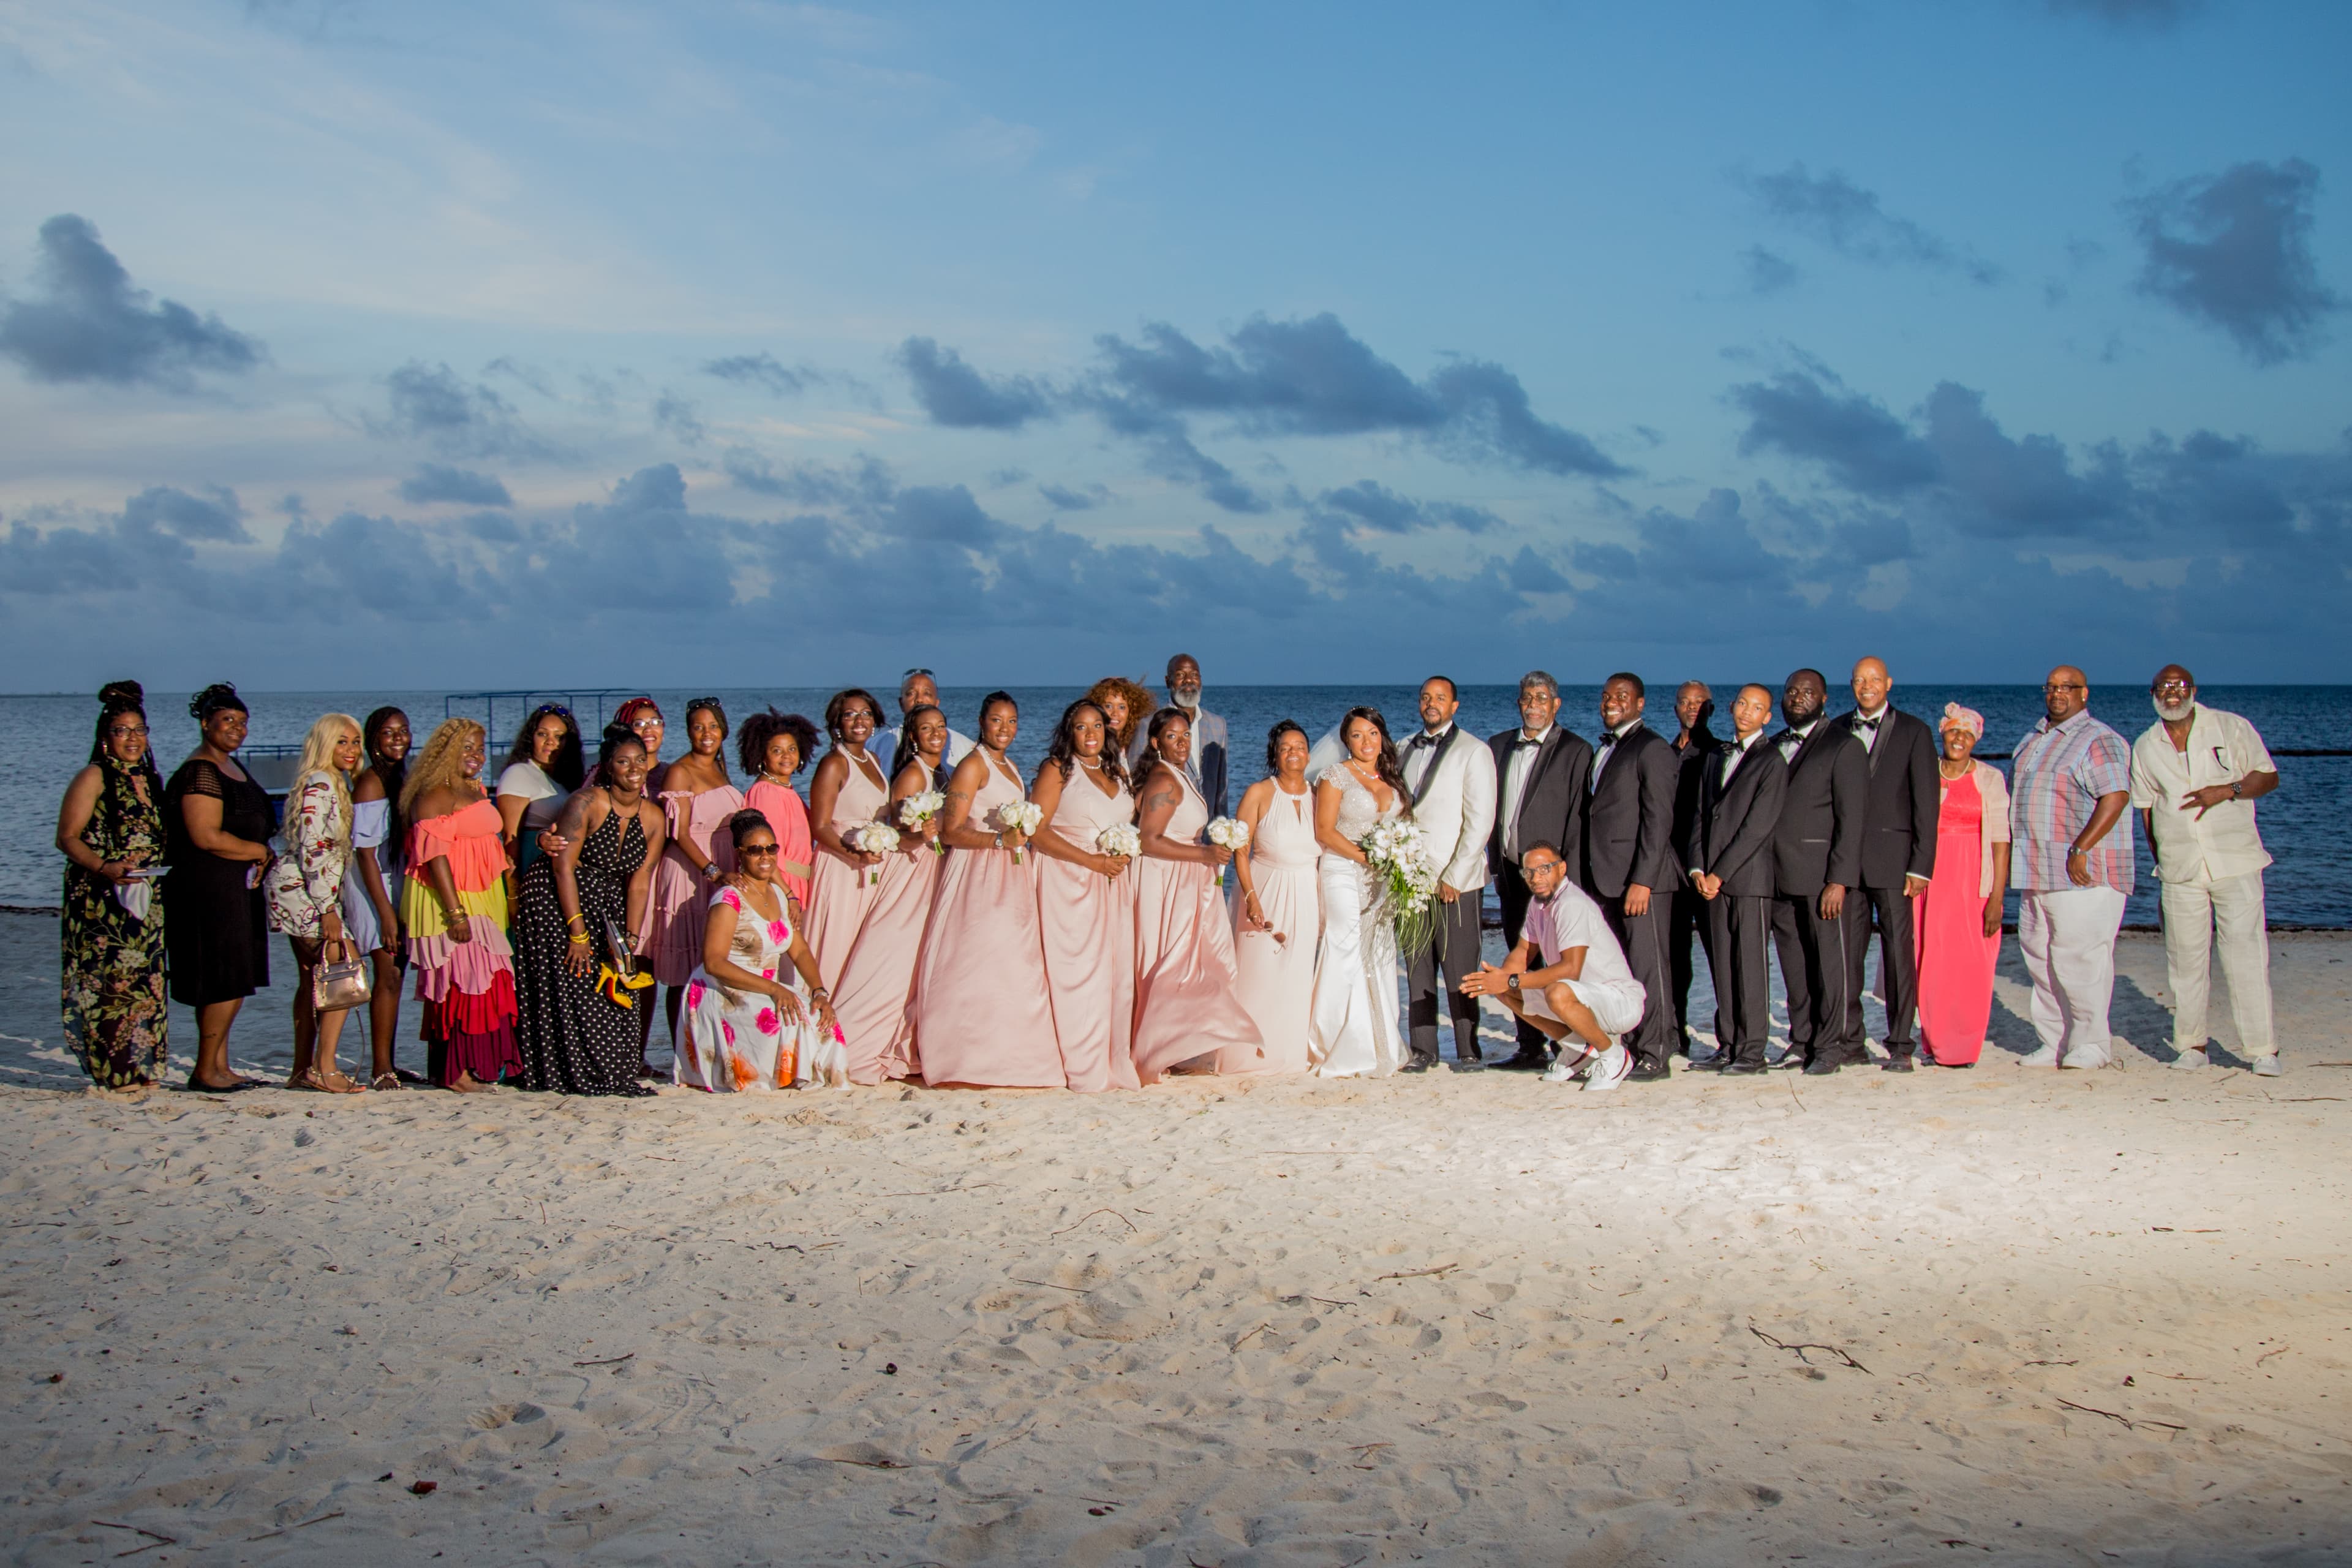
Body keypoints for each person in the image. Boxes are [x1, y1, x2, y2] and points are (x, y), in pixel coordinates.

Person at [907, 693, 1064, 1087]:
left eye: (1012, 722)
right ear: (981, 722)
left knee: (1012, 961)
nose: (1005, 729)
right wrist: (998, 842)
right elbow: (951, 830)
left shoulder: (1007, 764)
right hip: (979, 872)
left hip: (1011, 873)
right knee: (975, 958)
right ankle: (964, 1056)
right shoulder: (972, 766)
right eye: (997, 721)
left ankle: (1007, 1051)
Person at [2130, 665, 2282, 1074]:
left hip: (2235, 860)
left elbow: (2268, 777)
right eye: (2164, 687)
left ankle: (2263, 1049)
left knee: (2246, 955)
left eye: (2179, 686)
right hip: (2180, 870)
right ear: (2153, 693)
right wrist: (2161, 858)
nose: (2172, 693)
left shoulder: (2230, 727)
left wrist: (2227, 790)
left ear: (2193, 690)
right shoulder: (2146, 745)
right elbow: (2146, 810)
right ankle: (2191, 1046)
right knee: (2184, 960)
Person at [514, 724, 668, 1096]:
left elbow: (641, 881)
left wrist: (630, 939)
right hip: (557, 899)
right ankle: (569, 1071)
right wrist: (577, 932)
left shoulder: (654, 817)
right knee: (575, 981)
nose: (633, 768)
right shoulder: (587, 802)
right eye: (623, 761)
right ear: (607, 767)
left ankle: (611, 1066)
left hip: (609, 903)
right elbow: (562, 867)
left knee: (619, 981)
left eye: (640, 761)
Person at [1131, 707, 1266, 1080]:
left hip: (1184, 878)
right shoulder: (1164, 780)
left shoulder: (1178, 775)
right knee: (1173, 961)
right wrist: (1204, 853)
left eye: (1186, 736)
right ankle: (1161, 1049)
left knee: (1195, 961)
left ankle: (1180, 1044)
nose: (1181, 742)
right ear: (1156, 742)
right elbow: (1148, 841)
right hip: (1166, 881)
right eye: (1172, 737)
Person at [2010, 666, 2133, 1070]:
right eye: (2052, 687)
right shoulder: (2035, 738)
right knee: (2040, 958)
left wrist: (2081, 847)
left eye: (2068, 687)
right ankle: (2055, 1041)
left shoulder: (2099, 739)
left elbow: (2114, 797)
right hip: (2036, 870)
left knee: (2079, 959)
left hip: (2082, 872)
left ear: (2085, 693)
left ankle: (2092, 1044)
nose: (2058, 693)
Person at [1460, 840, 1650, 1091]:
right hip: (1582, 998)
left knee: (1556, 990)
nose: (1536, 877)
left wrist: (1509, 980)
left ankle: (1614, 1056)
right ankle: (1578, 1050)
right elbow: (1523, 952)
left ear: (1562, 869)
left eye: (1544, 869)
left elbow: (1570, 969)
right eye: (1529, 872)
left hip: (1619, 1001)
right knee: (1506, 990)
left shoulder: (1572, 904)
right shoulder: (1538, 904)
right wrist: (1497, 980)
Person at [677, 810, 845, 1091]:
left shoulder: (779, 895)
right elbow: (714, 963)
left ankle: (810, 1079)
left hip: (765, 986)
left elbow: (800, 951)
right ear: (740, 854)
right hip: (724, 988)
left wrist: (819, 992)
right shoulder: (728, 899)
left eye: (771, 849)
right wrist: (776, 989)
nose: (765, 856)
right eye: (755, 850)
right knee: (786, 1018)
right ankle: (781, 1078)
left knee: (821, 1017)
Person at [54, 681, 169, 1090]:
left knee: (146, 982)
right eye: (123, 731)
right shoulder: (94, 776)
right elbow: (67, 837)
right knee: (111, 984)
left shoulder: (148, 780)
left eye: (140, 730)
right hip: (102, 899)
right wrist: (105, 867)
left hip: (145, 896)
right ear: (106, 739)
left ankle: (142, 1067)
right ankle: (115, 1071)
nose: (133, 739)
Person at [829, 704, 951, 1084]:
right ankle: (853, 1042)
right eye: (926, 728)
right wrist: (927, 834)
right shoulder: (913, 775)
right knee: (892, 958)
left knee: (916, 964)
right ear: (913, 736)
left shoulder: (938, 772)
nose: (936, 733)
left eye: (942, 727)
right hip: (911, 872)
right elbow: (898, 834)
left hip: (931, 869)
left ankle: (904, 1043)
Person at [1026, 699, 1143, 1091]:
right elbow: (1036, 832)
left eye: (1097, 726)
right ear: (1069, 731)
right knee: (1077, 972)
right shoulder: (1058, 770)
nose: (1091, 734)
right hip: (1069, 879)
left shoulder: (1116, 769)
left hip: (1113, 883)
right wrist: (1092, 862)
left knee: (1115, 974)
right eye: (1081, 727)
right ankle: (1080, 1064)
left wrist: (1123, 851)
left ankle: (1112, 1061)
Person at [401, 718, 522, 1091]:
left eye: (480, 748)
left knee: (485, 984)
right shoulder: (435, 792)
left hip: (483, 895)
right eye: (467, 748)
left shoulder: (471, 788)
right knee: (462, 985)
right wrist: (455, 913)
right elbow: (435, 857)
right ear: (445, 751)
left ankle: (463, 1069)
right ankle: (454, 1073)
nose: (476, 756)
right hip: (455, 899)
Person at [164, 683, 274, 1092]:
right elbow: (205, 834)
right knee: (223, 977)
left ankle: (219, 1065)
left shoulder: (231, 766)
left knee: (233, 977)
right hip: (209, 887)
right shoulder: (201, 771)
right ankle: (207, 1068)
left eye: (243, 723)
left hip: (236, 886)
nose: (237, 729)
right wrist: (257, 850)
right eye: (228, 721)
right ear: (206, 723)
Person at [1486, 671, 1594, 1070]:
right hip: (1512, 873)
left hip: (1554, 881)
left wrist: (1569, 882)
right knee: (1520, 959)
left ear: (1556, 704)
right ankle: (1528, 1044)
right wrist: (1495, 864)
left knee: (1555, 964)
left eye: (1542, 697)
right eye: (1527, 697)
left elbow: (1578, 820)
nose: (1534, 704)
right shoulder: (1497, 746)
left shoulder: (1576, 751)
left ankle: (1568, 1043)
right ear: (1519, 703)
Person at [1838, 657, 1940, 1072]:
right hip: (1845, 864)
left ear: (1889, 684)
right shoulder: (1837, 728)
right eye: (1860, 680)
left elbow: (1926, 804)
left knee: (1899, 955)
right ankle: (1849, 1039)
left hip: (1896, 864)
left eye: (1875, 679)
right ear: (1852, 685)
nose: (1867, 686)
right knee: (1845, 955)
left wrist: (1921, 866)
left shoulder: (1915, 731)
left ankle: (1901, 1044)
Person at [1681, 684, 1787, 1075]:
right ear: (1731, 707)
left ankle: (1752, 1052)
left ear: (1767, 717)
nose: (1747, 712)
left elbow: (1757, 827)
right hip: (1708, 881)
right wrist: (1697, 868)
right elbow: (1699, 816)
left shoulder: (1772, 761)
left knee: (1750, 968)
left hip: (1748, 879)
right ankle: (1728, 1045)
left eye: (1757, 707)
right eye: (1743, 704)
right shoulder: (1715, 756)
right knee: (1722, 965)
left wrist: (1719, 873)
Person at [1768, 669, 1869, 1074]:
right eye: (1791, 691)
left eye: (1808, 692)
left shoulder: (1845, 747)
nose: (1798, 697)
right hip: (1777, 877)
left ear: (1825, 698)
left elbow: (1852, 819)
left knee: (1831, 966)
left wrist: (1840, 880)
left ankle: (1834, 1046)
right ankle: (1803, 1039)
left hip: (1821, 877)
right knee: (1795, 968)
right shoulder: (1774, 746)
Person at [1580, 674, 1679, 1081]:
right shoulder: (1604, 749)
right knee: (1618, 971)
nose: (1611, 702)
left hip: (1640, 882)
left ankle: (1656, 1051)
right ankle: (1631, 1045)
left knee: (1649, 966)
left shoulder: (1652, 748)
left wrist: (1644, 879)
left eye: (1621, 697)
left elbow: (1659, 822)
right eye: (1606, 697)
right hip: (1605, 878)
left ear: (1640, 703)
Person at [1397, 676, 1497, 1071]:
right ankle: (1423, 1049)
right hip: (1410, 879)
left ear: (1455, 705)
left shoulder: (1475, 751)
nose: (1432, 703)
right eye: (1426, 697)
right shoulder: (1404, 747)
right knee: (1418, 965)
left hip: (1456, 879)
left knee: (1460, 967)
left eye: (1440, 698)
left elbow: (1480, 819)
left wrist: (1456, 873)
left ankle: (1469, 1048)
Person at [263, 713, 366, 1093]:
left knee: (313, 980)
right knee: (345, 968)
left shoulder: (328, 782)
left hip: (300, 889)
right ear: (324, 744)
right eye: (342, 742)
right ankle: (323, 1069)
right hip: (305, 893)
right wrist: (328, 910)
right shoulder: (321, 784)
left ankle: (301, 1070)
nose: (352, 750)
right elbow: (314, 849)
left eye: (355, 742)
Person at [1308, 707, 1409, 1078]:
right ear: (1345, 741)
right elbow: (1325, 830)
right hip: (1343, 871)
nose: (1366, 742)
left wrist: (1398, 859)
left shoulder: (1391, 778)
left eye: (1372, 734)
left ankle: (1381, 1041)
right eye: (1356, 735)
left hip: (1381, 877)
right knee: (1346, 946)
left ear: (1382, 736)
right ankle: (1337, 1042)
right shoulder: (1335, 776)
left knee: (1379, 952)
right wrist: (1365, 858)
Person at [646, 698, 747, 1046]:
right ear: (688, 731)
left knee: (713, 963)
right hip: (691, 872)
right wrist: (715, 872)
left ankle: (708, 1042)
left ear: (723, 731)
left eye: (713, 727)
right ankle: (680, 1050)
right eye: (698, 727)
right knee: (684, 968)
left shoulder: (720, 768)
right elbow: (680, 834)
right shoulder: (680, 771)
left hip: (720, 866)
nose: (706, 734)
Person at [1914, 703, 2010, 1069]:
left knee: (1972, 963)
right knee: (1929, 959)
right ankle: (1933, 1043)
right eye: (1955, 731)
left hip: (1974, 880)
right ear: (1943, 733)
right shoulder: (1925, 772)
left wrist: (1997, 897)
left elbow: (2001, 841)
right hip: (1930, 878)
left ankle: (1963, 1048)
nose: (1960, 739)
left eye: (1968, 734)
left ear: (1976, 740)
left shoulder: (1989, 778)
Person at [1231, 720, 1320, 1072]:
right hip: (1265, 887)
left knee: (1298, 973)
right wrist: (1251, 896)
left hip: (1307, 891)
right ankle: (1250, 1050)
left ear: (1309, 754)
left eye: (1299, 746)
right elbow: (1240, 848)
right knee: (1259, 969)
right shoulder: (1259, 792)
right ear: (1276, 755)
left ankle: (1288, 1051)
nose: (1293, 752)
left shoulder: (1319, 795)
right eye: (1285, 747)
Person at [804, 687, 891, 990]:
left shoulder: (874, 759)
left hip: (871, 865)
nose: (859, 721)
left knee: (862, 948)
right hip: (841, 866)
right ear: (837, 723)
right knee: (835, 944)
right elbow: (820, 826)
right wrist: (855, 855)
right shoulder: (834, 764)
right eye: (850, 715)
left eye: (866, 714)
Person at [345, 707, 412, 1089]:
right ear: (374, 740)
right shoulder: (371, 783)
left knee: (397, 973)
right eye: (388, 733)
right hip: (374, 886)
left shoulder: (402, 777)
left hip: (397, 880)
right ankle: (381, 1067)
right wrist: (385, 913)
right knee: (387, 971)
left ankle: (390, 1061)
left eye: (403, 731)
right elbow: (365, 854)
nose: (397, 739)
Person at [1667, 680, 1718, 1052]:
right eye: (1685, 702)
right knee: (1675, 957)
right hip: (1671, 867)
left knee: (1720, 954)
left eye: (1699, 702)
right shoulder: (1665, 752)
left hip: (1708, 867)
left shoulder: (1718, 752)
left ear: (1711, 708)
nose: (1692, 708)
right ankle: (1675, 1031)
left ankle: (1730, 1036)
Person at [737, 708, 820, 906]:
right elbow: (767, 854)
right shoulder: (766, 792)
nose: (786, 756)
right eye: (777, 751)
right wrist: (788, 894)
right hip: (780, 887)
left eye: (792, 749)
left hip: (797, 884)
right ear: (763, 757)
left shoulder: (787, 790)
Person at [1132, 655, 1230, 819]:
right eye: (1180, 675)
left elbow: (1222, 787)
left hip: (1208, 832)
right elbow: (1136, 779)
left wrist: (1223, 829)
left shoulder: (1218, 725)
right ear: (1168, 681)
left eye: (1194, 675)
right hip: (1168, 825)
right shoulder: (1148, 725)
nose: (1188, 681)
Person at [495, 704, 583, 876]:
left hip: (562, 872)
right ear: (531, 738)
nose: (550, 741)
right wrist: (513, 894)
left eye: (559, 737)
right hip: (535, 871)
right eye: (542, 734)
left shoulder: (564, 780)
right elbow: (510, 840)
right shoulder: (519, 773)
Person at [894, 669, 976, 768]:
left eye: (927, 693)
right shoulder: (880, 743)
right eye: (911, 693)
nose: (919, 699)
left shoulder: (965, 747)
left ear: (937, 703)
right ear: (901, 703)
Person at [1087, 676, 1153, 764]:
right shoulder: (1091, 746)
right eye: (1108, 706)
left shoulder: (1138, 745)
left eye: (1122, 707)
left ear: (1132, 711)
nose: (1115, 713)